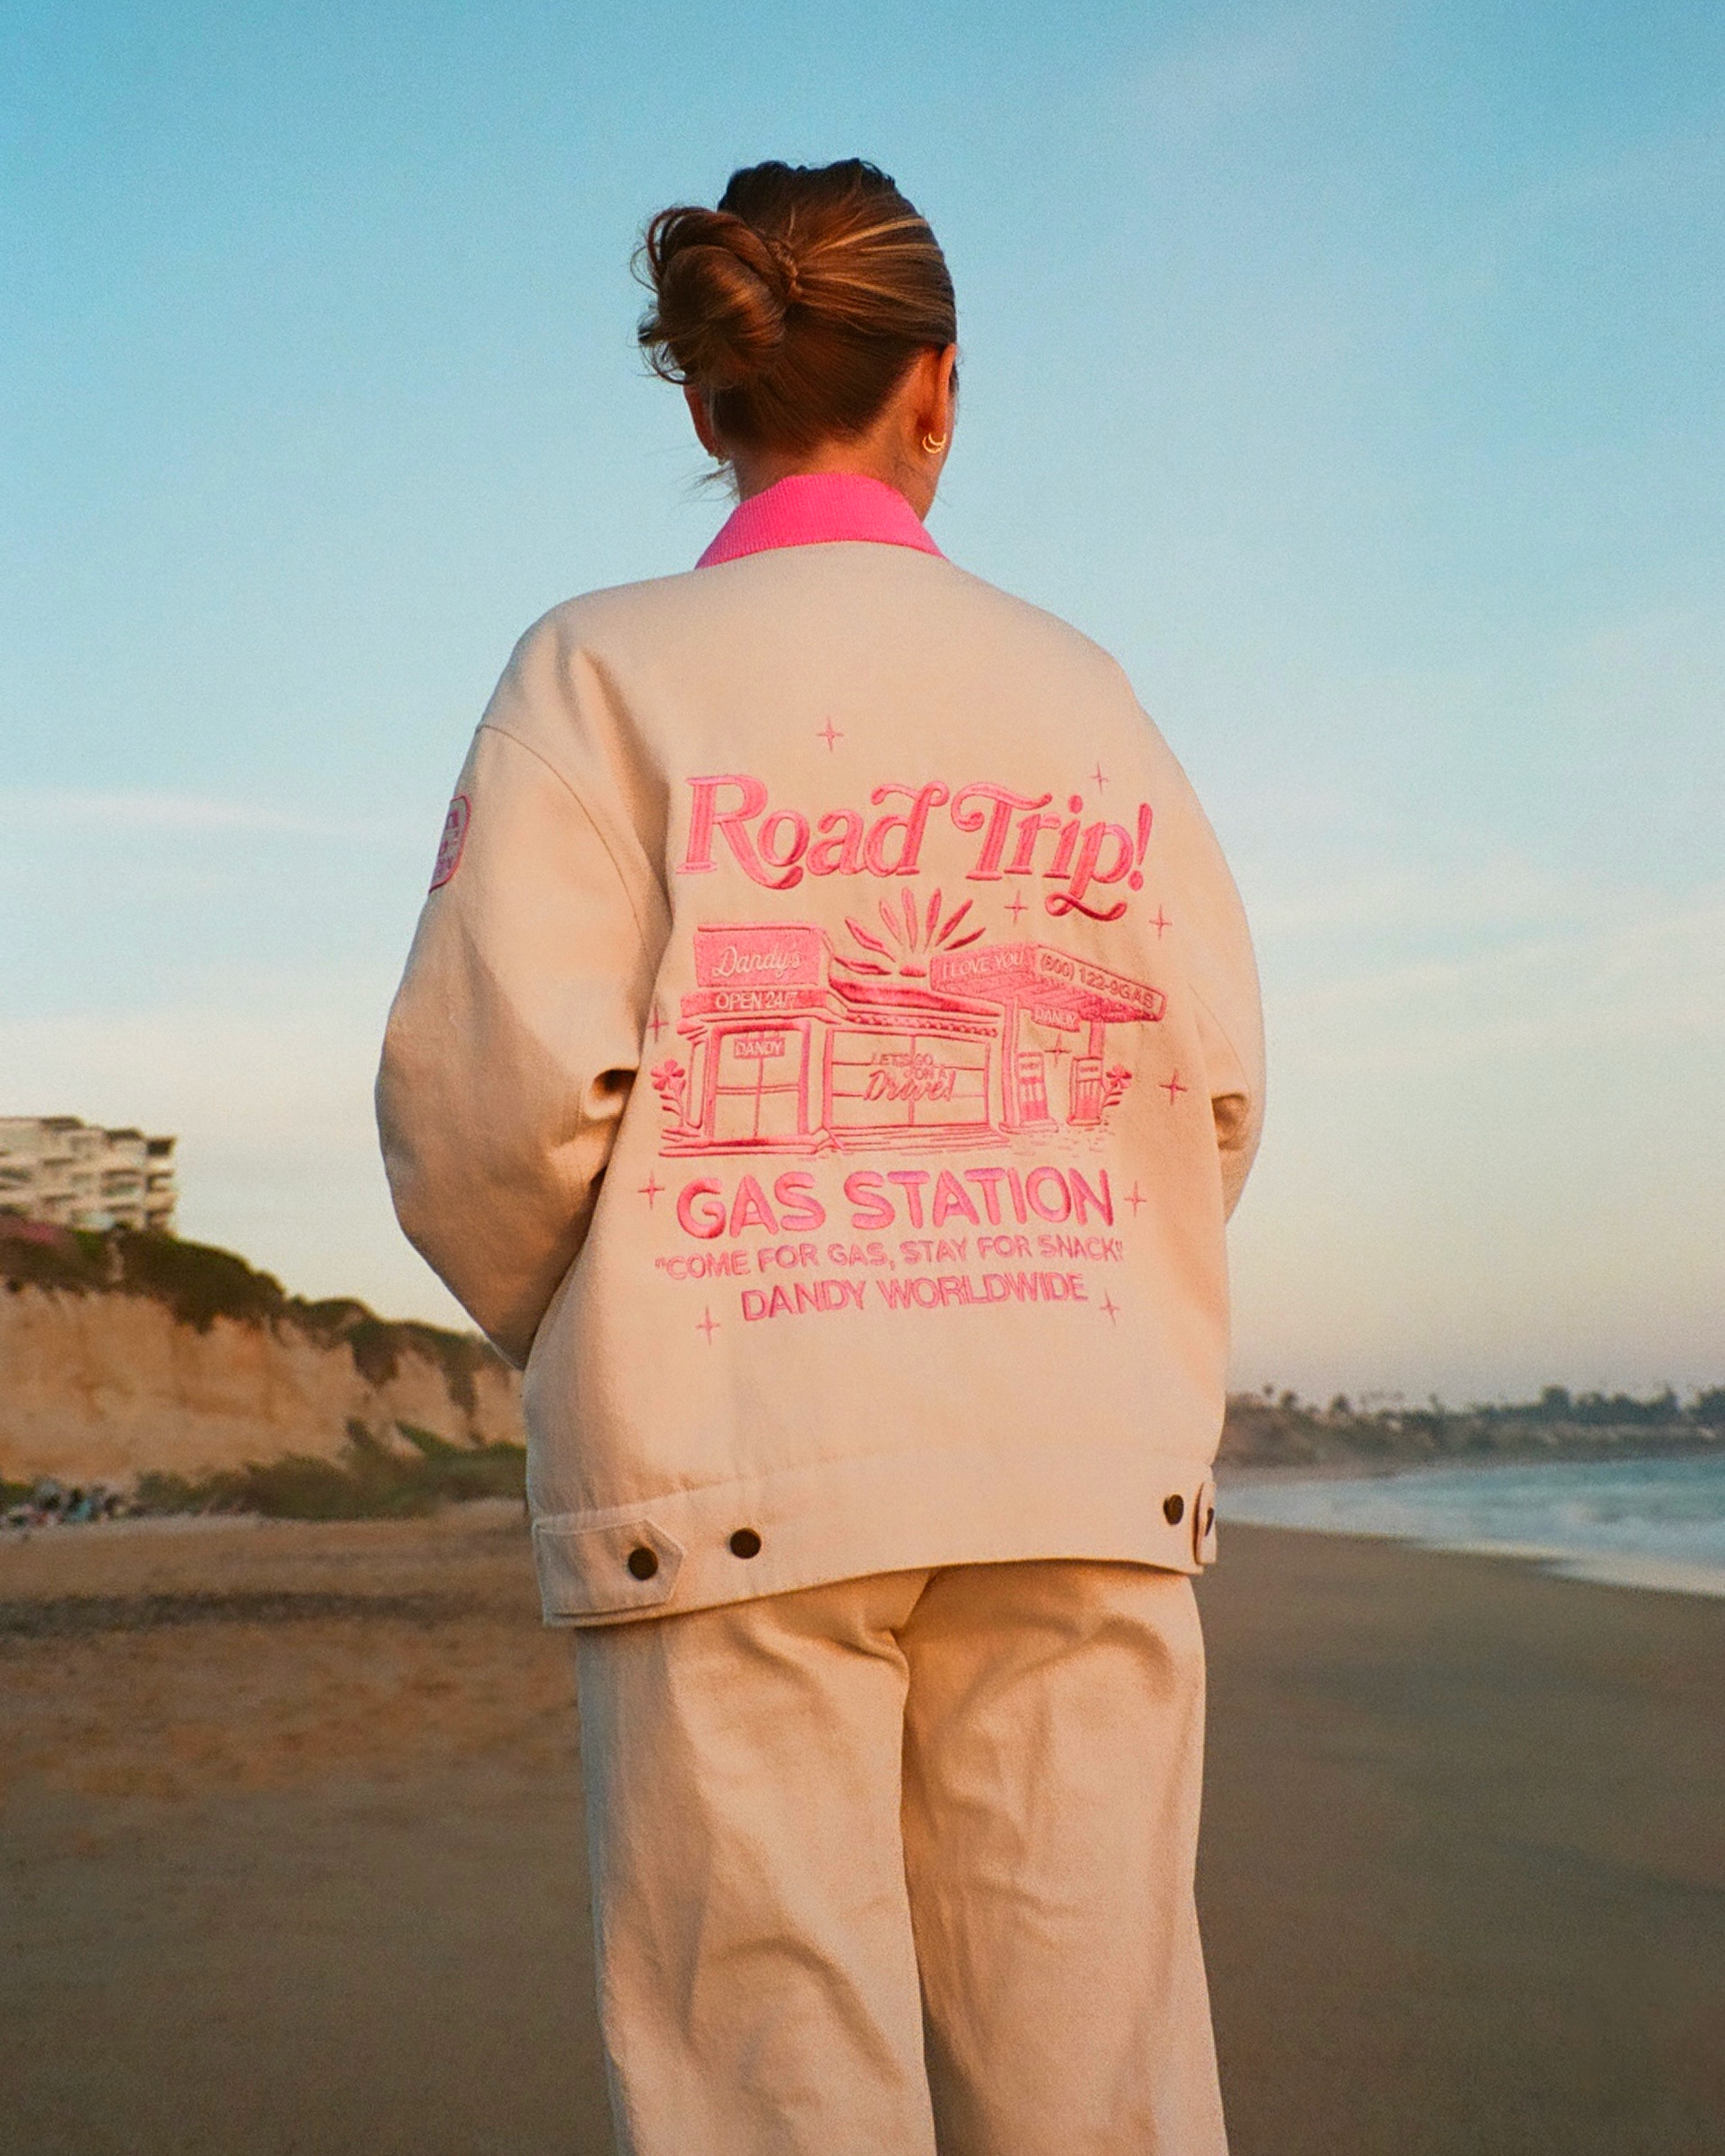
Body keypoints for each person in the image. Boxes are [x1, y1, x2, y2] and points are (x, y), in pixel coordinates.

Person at [378, 157, 1263, 2156]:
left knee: (768, 2094)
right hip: (1072, 1445)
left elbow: (480, 1109)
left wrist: (646, 1297)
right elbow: (1210, 1085)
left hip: (730, 1462)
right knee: (1106, 2085)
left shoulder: (594, 671)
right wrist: (1094, 1269)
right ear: (939, 389)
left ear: (707, 403)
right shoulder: (1084, 691)